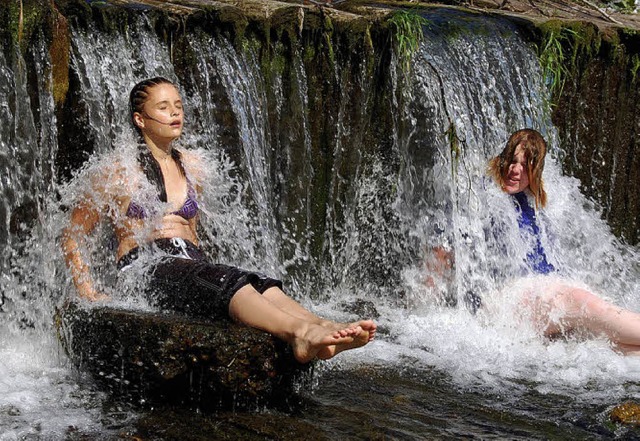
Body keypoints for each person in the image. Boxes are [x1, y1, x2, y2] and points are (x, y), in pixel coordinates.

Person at [61, 77, 376, 364]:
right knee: (225, 281)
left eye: (178, 106)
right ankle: (300, 335)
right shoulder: (116, 171)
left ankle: (321, 324)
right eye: (163, 107)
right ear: (140, 120)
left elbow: (192, 233)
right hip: (144, 266)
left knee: (257, 282)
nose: (175, 113)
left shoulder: (193, 166)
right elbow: (72, 235)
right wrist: (87, 290)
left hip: (187, 261)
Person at [432, 128, 640, 354]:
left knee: (617, 346)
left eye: (525, 166)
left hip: (536, 301)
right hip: (504, 303)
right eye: (512, 161)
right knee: (586, 303)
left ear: (536, 171)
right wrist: (427, 308)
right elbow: (442, 250)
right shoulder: (479, 195)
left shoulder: (533, 200)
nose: (515, 170)